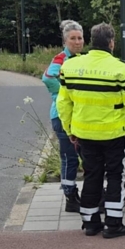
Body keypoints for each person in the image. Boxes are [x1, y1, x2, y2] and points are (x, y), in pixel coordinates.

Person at [58, 23, 125, 238]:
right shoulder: (121, 69)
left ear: (90, 41)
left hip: (85, 134)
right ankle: (114, 224)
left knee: (91, 175)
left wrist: (69, 128)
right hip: (114, 134)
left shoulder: (70, 67)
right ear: (111, 43)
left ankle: (90, 223)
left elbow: (64, 103)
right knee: (116, 175)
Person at [42, 20, 85, 213]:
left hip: (77, 116)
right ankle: (70, 196)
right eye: (73, 38)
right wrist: (65, 95)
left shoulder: (80, 58)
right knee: (70, 158)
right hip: (61, 115)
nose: (77, 42)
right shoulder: (61, 58)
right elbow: (48, 78)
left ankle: (82, 195)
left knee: (84, 156)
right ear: (65, 41)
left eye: (80, 38)